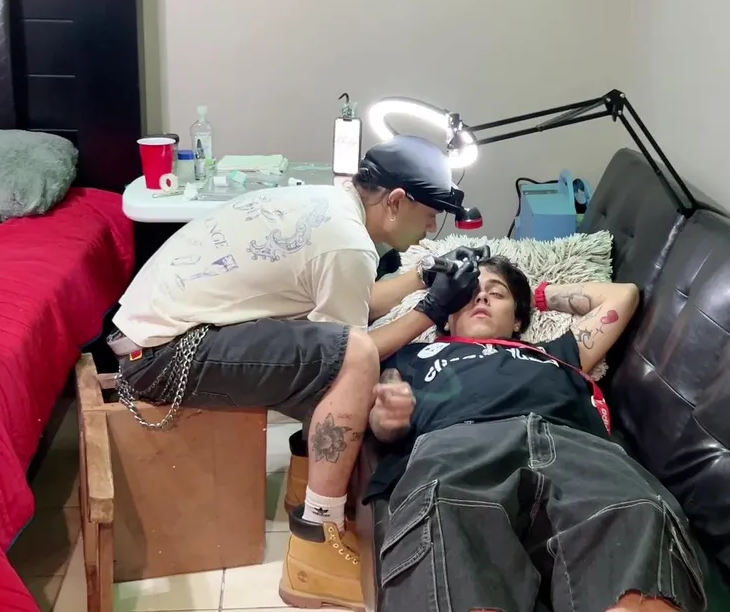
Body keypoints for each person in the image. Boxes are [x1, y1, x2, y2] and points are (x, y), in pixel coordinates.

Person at [109, 134, 485, 610]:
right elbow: (354, 352)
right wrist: (433, 310)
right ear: (394, 201)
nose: (431, 230)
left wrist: (423, 277)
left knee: (328, 345)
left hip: (151, 340)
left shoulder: (328, 207)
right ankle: (317, 541)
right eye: (430, 215)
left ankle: (303, 485)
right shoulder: (347, 243)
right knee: (352, 359)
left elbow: (354, 299)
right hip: (162, 358)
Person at [366, 256, 707, 612]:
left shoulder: (555, 353)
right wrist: (386, 418)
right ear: (447, 317)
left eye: (497, 293)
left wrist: (532, 294)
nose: (481, 297)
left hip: (574, 445)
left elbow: (624, 296)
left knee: (639, 513)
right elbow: (375, 399)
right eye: (468, 293)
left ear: (517, 320)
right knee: (444, 517)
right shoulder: (413, 355)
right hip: (460, 445)